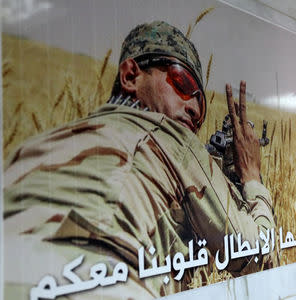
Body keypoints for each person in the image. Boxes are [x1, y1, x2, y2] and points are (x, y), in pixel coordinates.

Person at [3, 21, 275, 299]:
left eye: (201, 107)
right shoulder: (171, 138)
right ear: (131, 76)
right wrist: (251, 176)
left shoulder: (33, 148)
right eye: (182, 83)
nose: (194, 108)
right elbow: (257, 254)